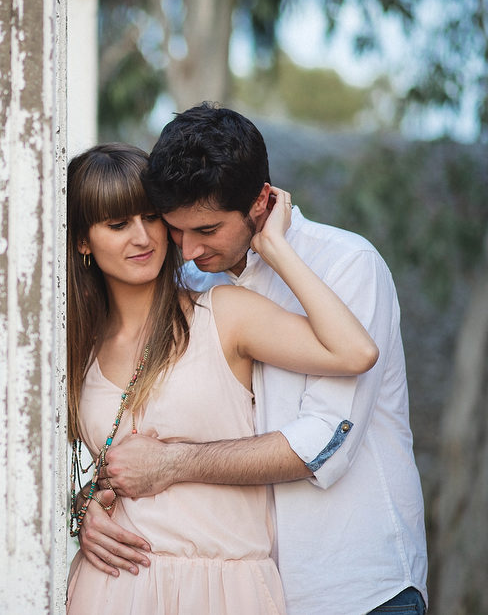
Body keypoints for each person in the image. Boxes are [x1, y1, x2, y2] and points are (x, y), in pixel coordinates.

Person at [79, 104, 429, 615]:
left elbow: (323, 440)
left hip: (355, 585)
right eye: (176, 229)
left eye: (208, 229)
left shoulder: (348, 264)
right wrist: (94, 502)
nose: (189, 249)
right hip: (253, 588)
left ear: (262, 201)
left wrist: (278, 249)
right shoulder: (196, 284)